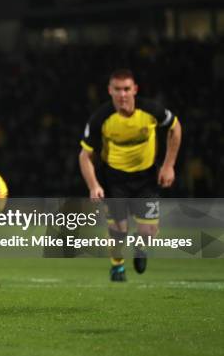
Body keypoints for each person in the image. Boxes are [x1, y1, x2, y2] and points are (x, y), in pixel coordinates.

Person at [78, 69, 182, 282]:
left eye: (126, 89)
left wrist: (168, 165)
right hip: (114, 178)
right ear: (110, 90)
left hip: (146, 177)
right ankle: (117, 268)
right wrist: (93, 185)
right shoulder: (101, 118)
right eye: (117, 89)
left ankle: (141, 246)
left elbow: (175, 127)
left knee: (149, 230)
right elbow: (84, 156)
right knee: (119, 228)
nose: (122, 94)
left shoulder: (151, 111)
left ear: (135, 89)